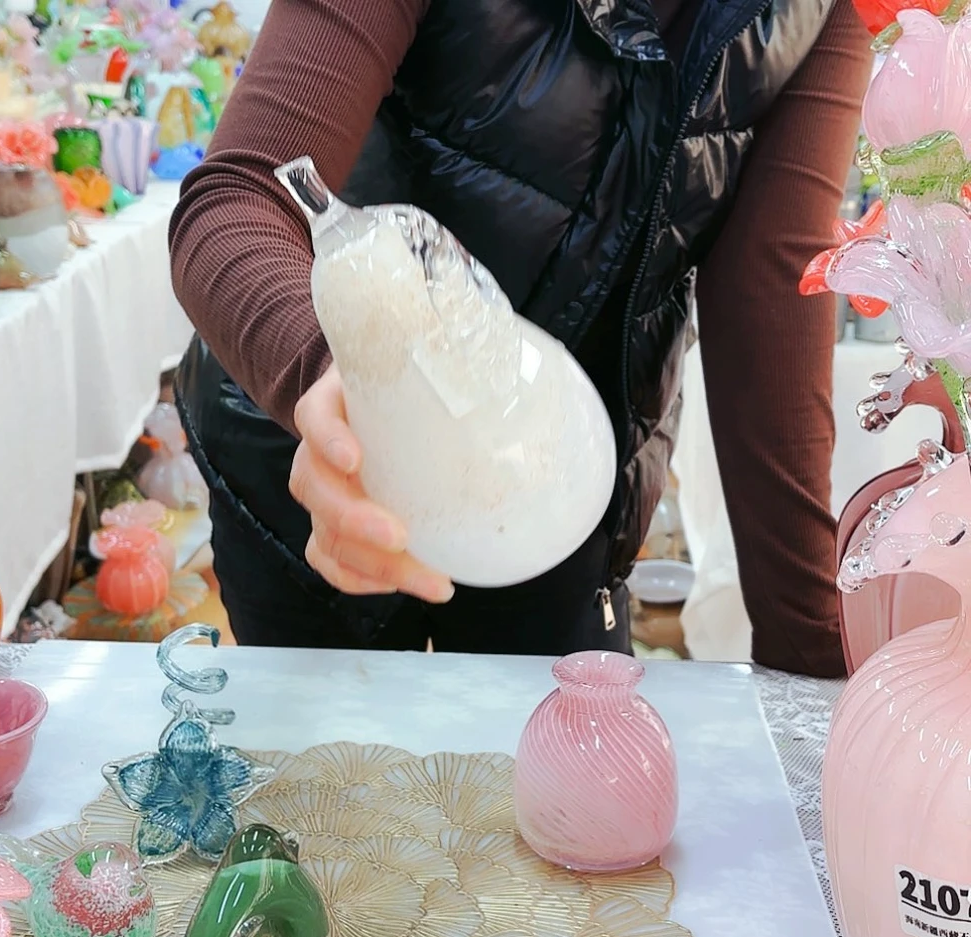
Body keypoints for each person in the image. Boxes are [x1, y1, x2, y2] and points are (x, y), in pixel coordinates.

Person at [169, 0, 872, 676]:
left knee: (562, 747)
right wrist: (337, 382)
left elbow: (774, 297)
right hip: (323, 455)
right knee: (335, 748)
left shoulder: (816, 10)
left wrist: (814, 661)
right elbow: (237, 196)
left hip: (552, 476)